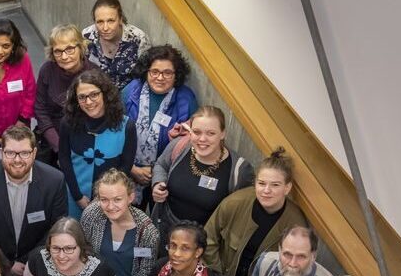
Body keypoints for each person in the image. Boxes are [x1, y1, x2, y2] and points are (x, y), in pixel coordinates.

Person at [204, 147, 309, 276]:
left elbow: (297, 268)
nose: (266, 190)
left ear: (287, 188)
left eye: (275, 185)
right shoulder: (234, 203)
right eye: (261, 183)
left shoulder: (296, 223)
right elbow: (208, 237)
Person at [0, 124, 67, 275]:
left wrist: (29, 261)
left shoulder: (54, 180)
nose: (17, 160)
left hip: (37, 265)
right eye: (11, 153)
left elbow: (55, 228)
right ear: (1, 153)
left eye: (24, 153)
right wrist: (4, 263)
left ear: (34, 153)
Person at [150, 106, 254, 239]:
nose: (202, 139)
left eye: (211, 133)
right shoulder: (180, 146)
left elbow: (242, 211)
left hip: (204, 241)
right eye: (197, 132)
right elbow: (161, 165)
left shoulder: (240, 170)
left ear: (223, 134)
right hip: (165, 230)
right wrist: (158, 183)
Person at [58, 68, 136, 217]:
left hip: (110, 203)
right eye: (82, 97)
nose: (88, 102)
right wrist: (77, 197)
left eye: (94, 95)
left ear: (105, 94)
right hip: (75, 197)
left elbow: (125, 167)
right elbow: (64, 159)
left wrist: (104, 200)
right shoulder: (68, 123)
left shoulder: (127, 126)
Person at [80, 170, 159, 276]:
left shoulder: (147, 233)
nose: (110, 206)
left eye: (117, 199)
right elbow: (83, 251)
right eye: (104, 199)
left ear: (131, 197)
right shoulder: (91, 215)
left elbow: (145, 272)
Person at [124, 45, 198, 191]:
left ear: (176, 75)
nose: (160, 77)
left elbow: (187, 144)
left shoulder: (186, 99)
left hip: (164, 176)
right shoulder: (131, 90)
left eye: (167, 73)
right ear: (147, 71)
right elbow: (114, 132)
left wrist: (158, 173)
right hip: (127, 169)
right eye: (155, 72)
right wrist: (132, 168)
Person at [34, 24, 93, 164]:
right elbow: (40, 109)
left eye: (70, 49)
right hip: (51, 139)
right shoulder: (47, 70)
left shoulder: (94, 74)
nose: (64, 56)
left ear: (80, 47)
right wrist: (59, 147)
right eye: (58, 51)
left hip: (84, 143)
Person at [82, 0, 151, 91]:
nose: (105, 28)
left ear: (120, 19)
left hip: (128, 96)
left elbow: (146, 76)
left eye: (111, 21)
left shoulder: (138, 39)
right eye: (100, 22)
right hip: (96, 95)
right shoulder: (87, 36)